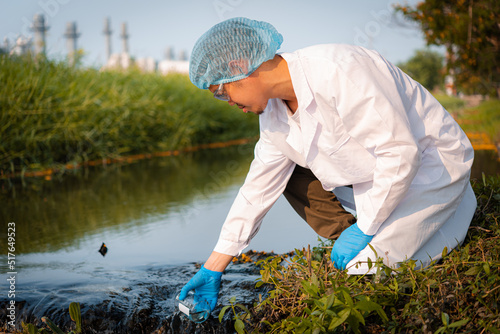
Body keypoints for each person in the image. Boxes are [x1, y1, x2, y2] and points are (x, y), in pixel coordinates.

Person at [179, 17, 477, 312]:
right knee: (285, 171)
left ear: (238, 68)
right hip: (375, 175)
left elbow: (399, 152)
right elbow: (257, 188)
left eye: (221, 92)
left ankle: (382, 229)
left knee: (365, 273)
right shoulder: (272, 114)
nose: (228, 102)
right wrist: (214, 266)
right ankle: (354, 231)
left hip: (430, 169)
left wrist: (367, 227)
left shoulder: (338, 70)